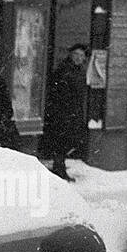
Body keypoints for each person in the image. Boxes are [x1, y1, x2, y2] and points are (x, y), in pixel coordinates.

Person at [39, 43, 89, 180]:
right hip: (62, 112)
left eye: (81, 55)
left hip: (72, 112)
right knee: (61, 141)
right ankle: (58, 168)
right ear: (71, 55)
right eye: (76, 55)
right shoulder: (64, 70)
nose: (78, 58)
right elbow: (57, 92)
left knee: (67, 141)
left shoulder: (79, 71)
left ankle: (59, 166)